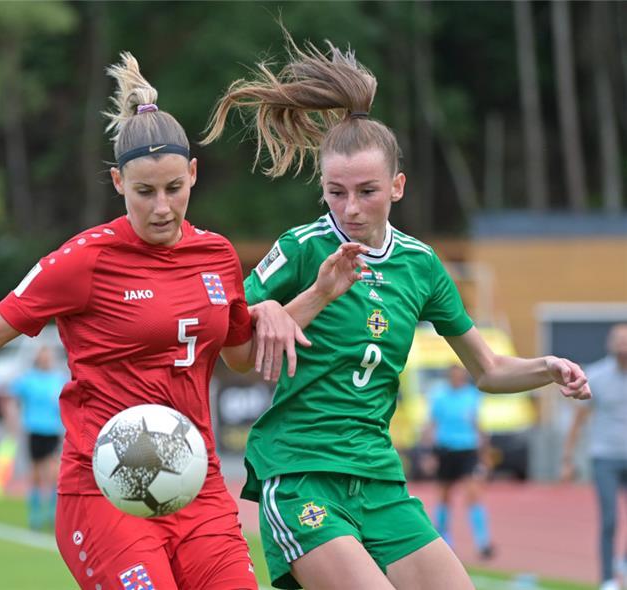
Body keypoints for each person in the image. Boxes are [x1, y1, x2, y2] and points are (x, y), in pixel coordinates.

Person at [0, 52, 364, 590]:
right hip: (105, 495)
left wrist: (316, 295)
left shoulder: (217, 256)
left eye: (174, 188)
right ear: (117, 182)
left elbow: (241, 358)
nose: (161, 208)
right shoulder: (84, 261)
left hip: (197, 488)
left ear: (193, 173)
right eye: (143, 192)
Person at [203, 33, 592, 590]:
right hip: (301, 475)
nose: (350, 208)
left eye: (367, 191)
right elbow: (235, 352)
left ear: (398, 187)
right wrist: (313, 296)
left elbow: (487, 370)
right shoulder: (301, 249)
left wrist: (547, 368)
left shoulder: (422, 265)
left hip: (380, 481)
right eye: (335, 192)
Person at [561, 323, 627, 590]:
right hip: (605, 457)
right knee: (610, 518)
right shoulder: (597, 376)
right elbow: (579, 420)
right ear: (609, 344)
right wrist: (567, 458)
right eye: (618, 340)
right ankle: (607, 579)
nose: (622, 345)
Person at [426, 365, 493, 558]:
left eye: (461, 376)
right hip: (446, 449)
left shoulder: (472, 396)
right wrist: (429, 453)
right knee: (444, 495)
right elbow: (432, 424)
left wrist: (485, 453)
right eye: (454, 375)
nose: (458, 379)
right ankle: (443, 539)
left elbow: (477, 424)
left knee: (473, 493)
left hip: (467, 449)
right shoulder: (440, 396)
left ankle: (483, 542)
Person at [1, 345, 65, 530]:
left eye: (48, 356)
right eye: (43, 356)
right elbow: (9, 399)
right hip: (34, 430)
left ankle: (53, 513)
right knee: (36, 473)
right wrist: (12, 422)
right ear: (38, 359)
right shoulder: (28, 380)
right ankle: (35, 514)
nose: (46, 359)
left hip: (53, 431)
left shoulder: (58, 379)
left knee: (54, 472)